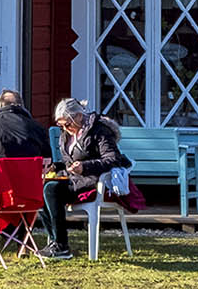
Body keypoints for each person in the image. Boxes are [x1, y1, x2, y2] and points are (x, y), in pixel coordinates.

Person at [41, 97, 133, 259]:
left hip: (94, 181)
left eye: (67, 124)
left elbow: (113, 159)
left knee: (51, 189)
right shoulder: (66, 134)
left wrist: (86, 167)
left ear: (78, 116)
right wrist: (57, 166)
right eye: (60, 125)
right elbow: (69, 161)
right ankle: (56, 242)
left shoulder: (99, 131)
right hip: (73, 180)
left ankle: (61, 246)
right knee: (41, 189)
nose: (64, 128)